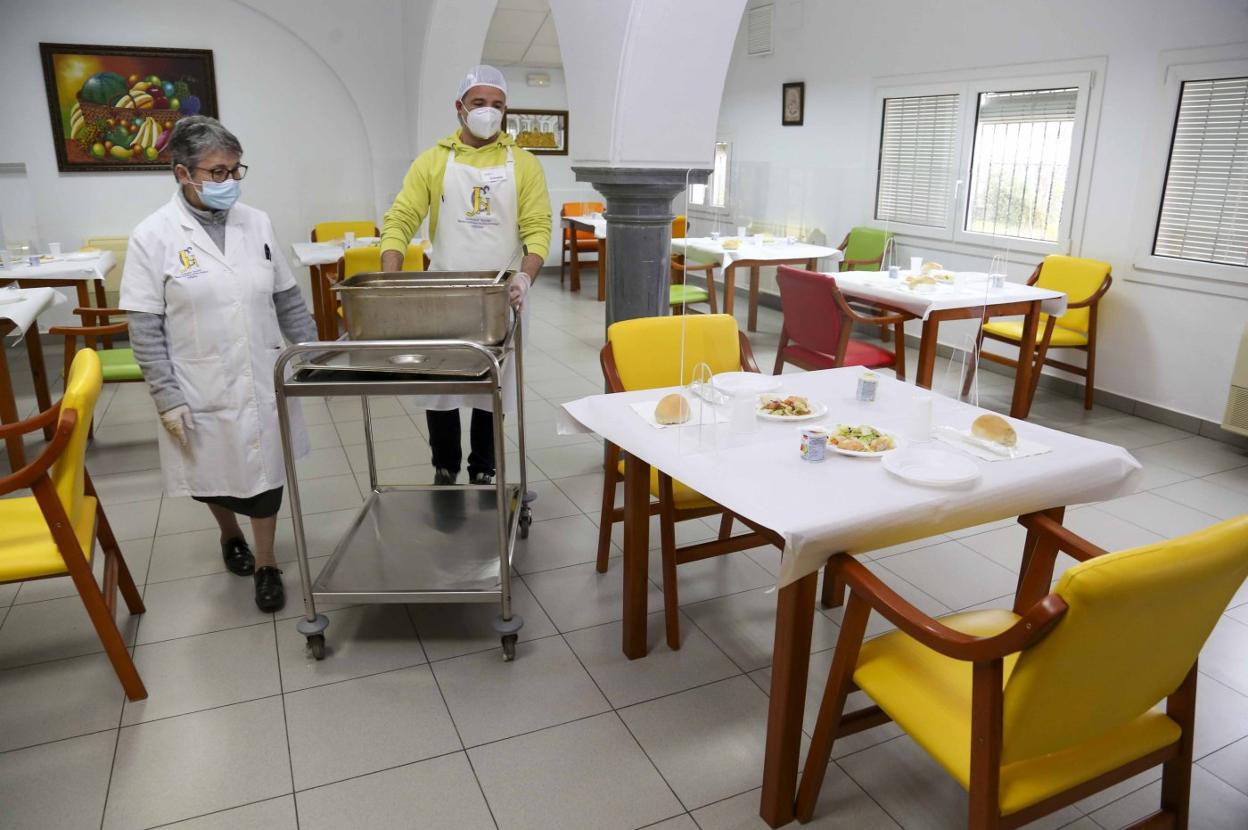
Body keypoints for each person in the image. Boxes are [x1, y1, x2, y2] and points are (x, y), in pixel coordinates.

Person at [121, 115, 316, 612]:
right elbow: (144, 327)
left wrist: (316, 354)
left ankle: (268, 563)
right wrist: (166, 396)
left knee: (266, 476)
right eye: (217, 172)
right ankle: (230, 534)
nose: (229, 182)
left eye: (235, 170)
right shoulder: (153, 235)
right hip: (196, 378)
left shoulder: (259, 221)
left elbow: (287, 297)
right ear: (182, 173)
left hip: (261, 369)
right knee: (212, 470)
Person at [381, 64, 550, 485]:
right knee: (441, 385)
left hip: (501, 294)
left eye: (496, 105)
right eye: (479, 104)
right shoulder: (433, 161)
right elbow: (401, 219)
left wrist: (525, 277)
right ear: (460, 108)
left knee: (492, 389)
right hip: (445, 294)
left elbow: (538, 228)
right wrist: (391, 278)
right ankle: (445, 467)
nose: (488, 113)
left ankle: (484, 469)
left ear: (506, 110)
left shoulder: (524, 164)